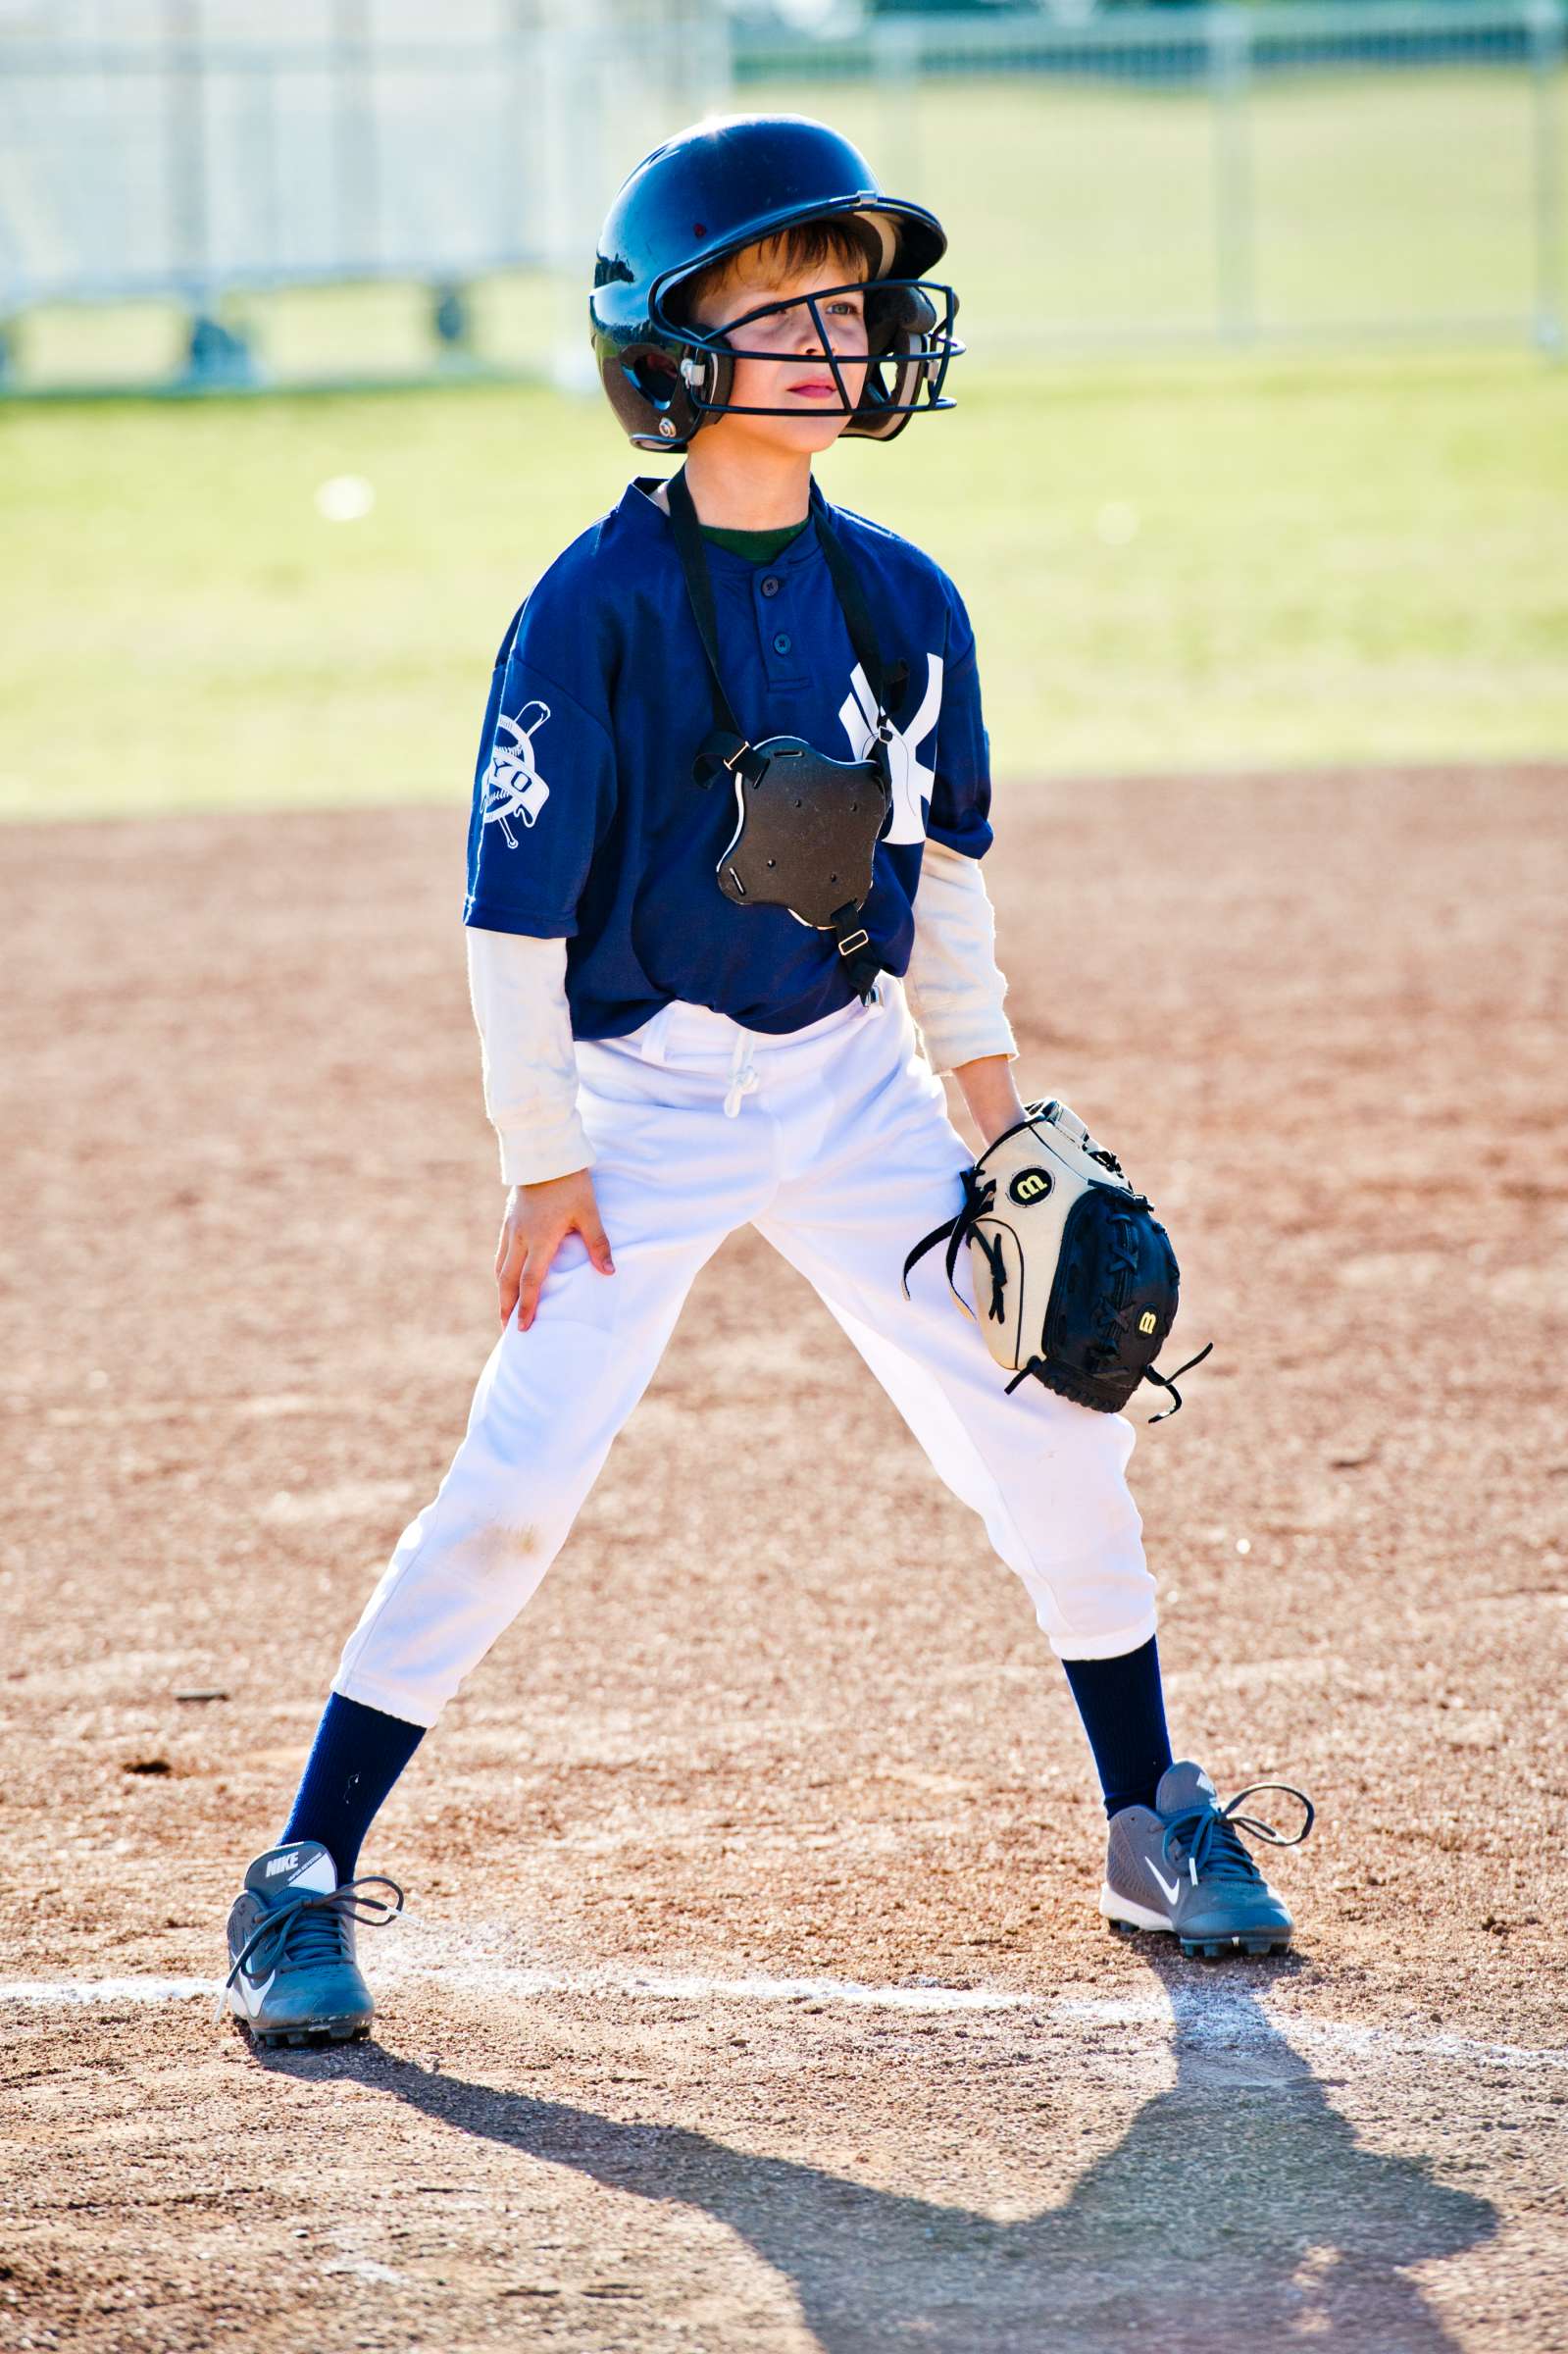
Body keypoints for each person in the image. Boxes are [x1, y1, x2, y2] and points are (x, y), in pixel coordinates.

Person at [219, 116, 1311, 2049]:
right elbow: (507, 920)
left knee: (1050, 1432)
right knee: (516, 1484)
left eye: (849, 301)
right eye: (784, 304)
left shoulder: (903, 603)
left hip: (845, 1091)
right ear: (669, 348)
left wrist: (995, 1136)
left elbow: (942, 898)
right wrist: (539, 1160)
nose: (838, 335)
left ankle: (1146, 1812)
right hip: (631, 1111)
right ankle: (299, 1868)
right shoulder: (590, 610)